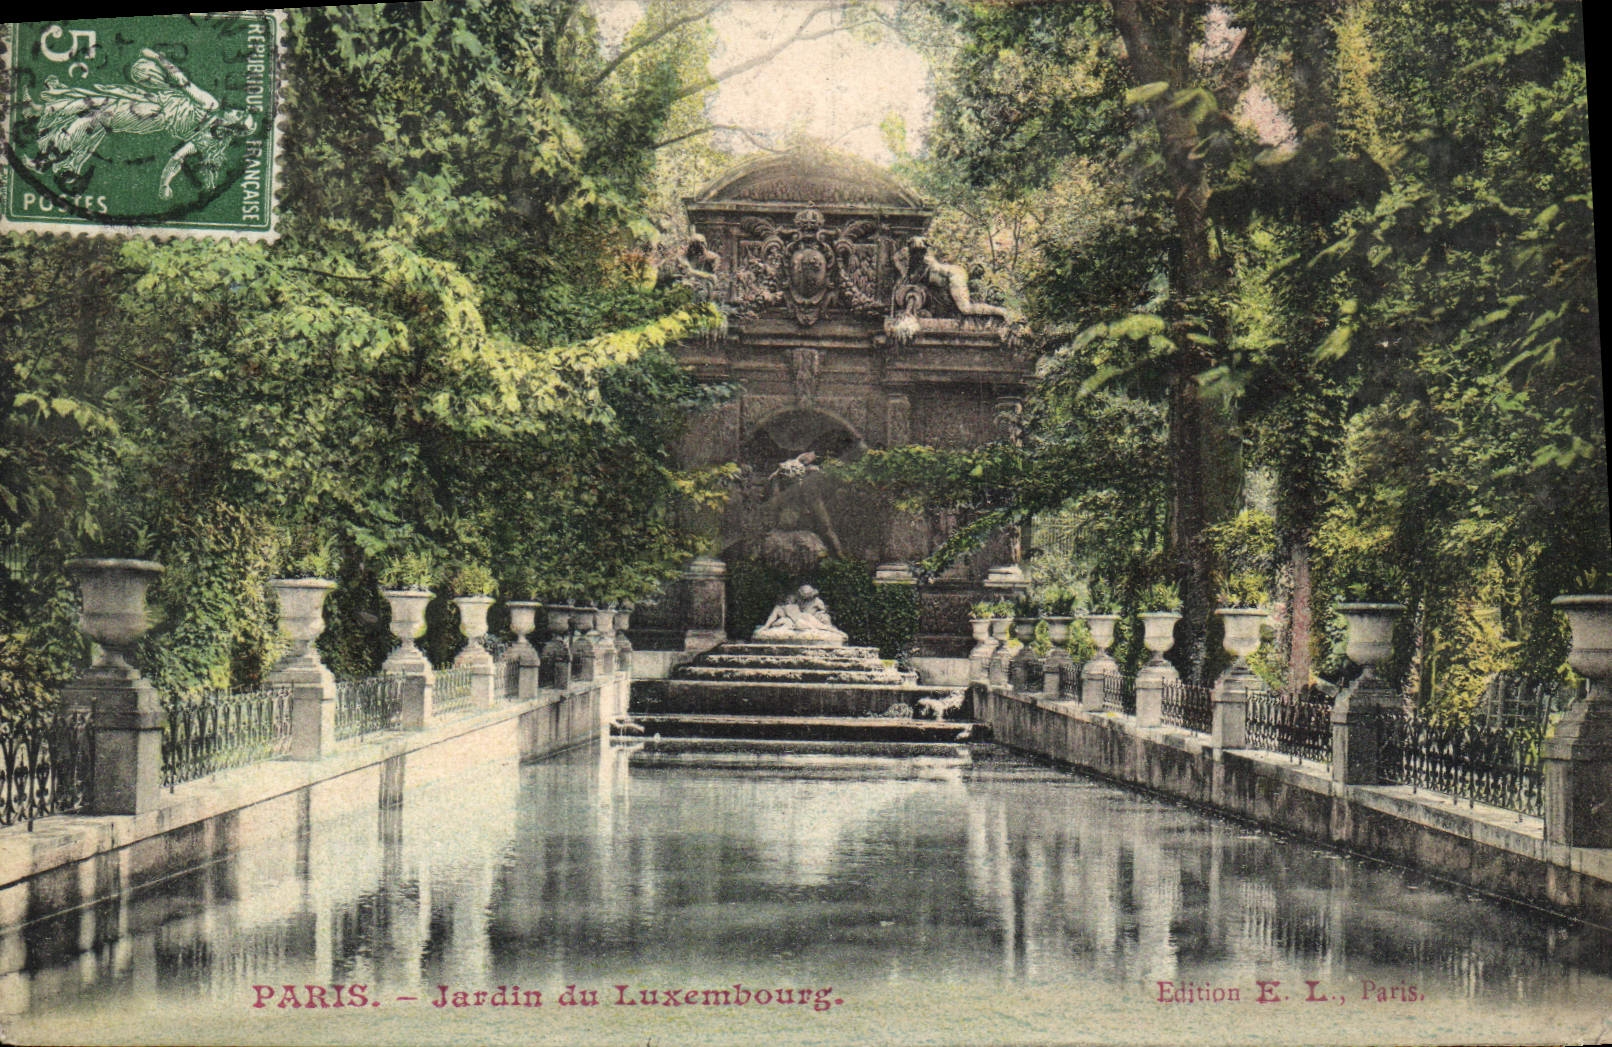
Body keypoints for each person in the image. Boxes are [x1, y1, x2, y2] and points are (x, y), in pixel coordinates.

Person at [31, 48, 257, 198]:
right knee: (97, 113)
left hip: (149, 111)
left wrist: (159, 58)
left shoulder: (211, 106)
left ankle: (50, 150)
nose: (235, 111)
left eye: (238, 115)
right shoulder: (210, 139)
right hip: (150, 111)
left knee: (96, 113)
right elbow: (180, 157)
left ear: (234, 125)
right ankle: (61, 152)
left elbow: (183, 82)